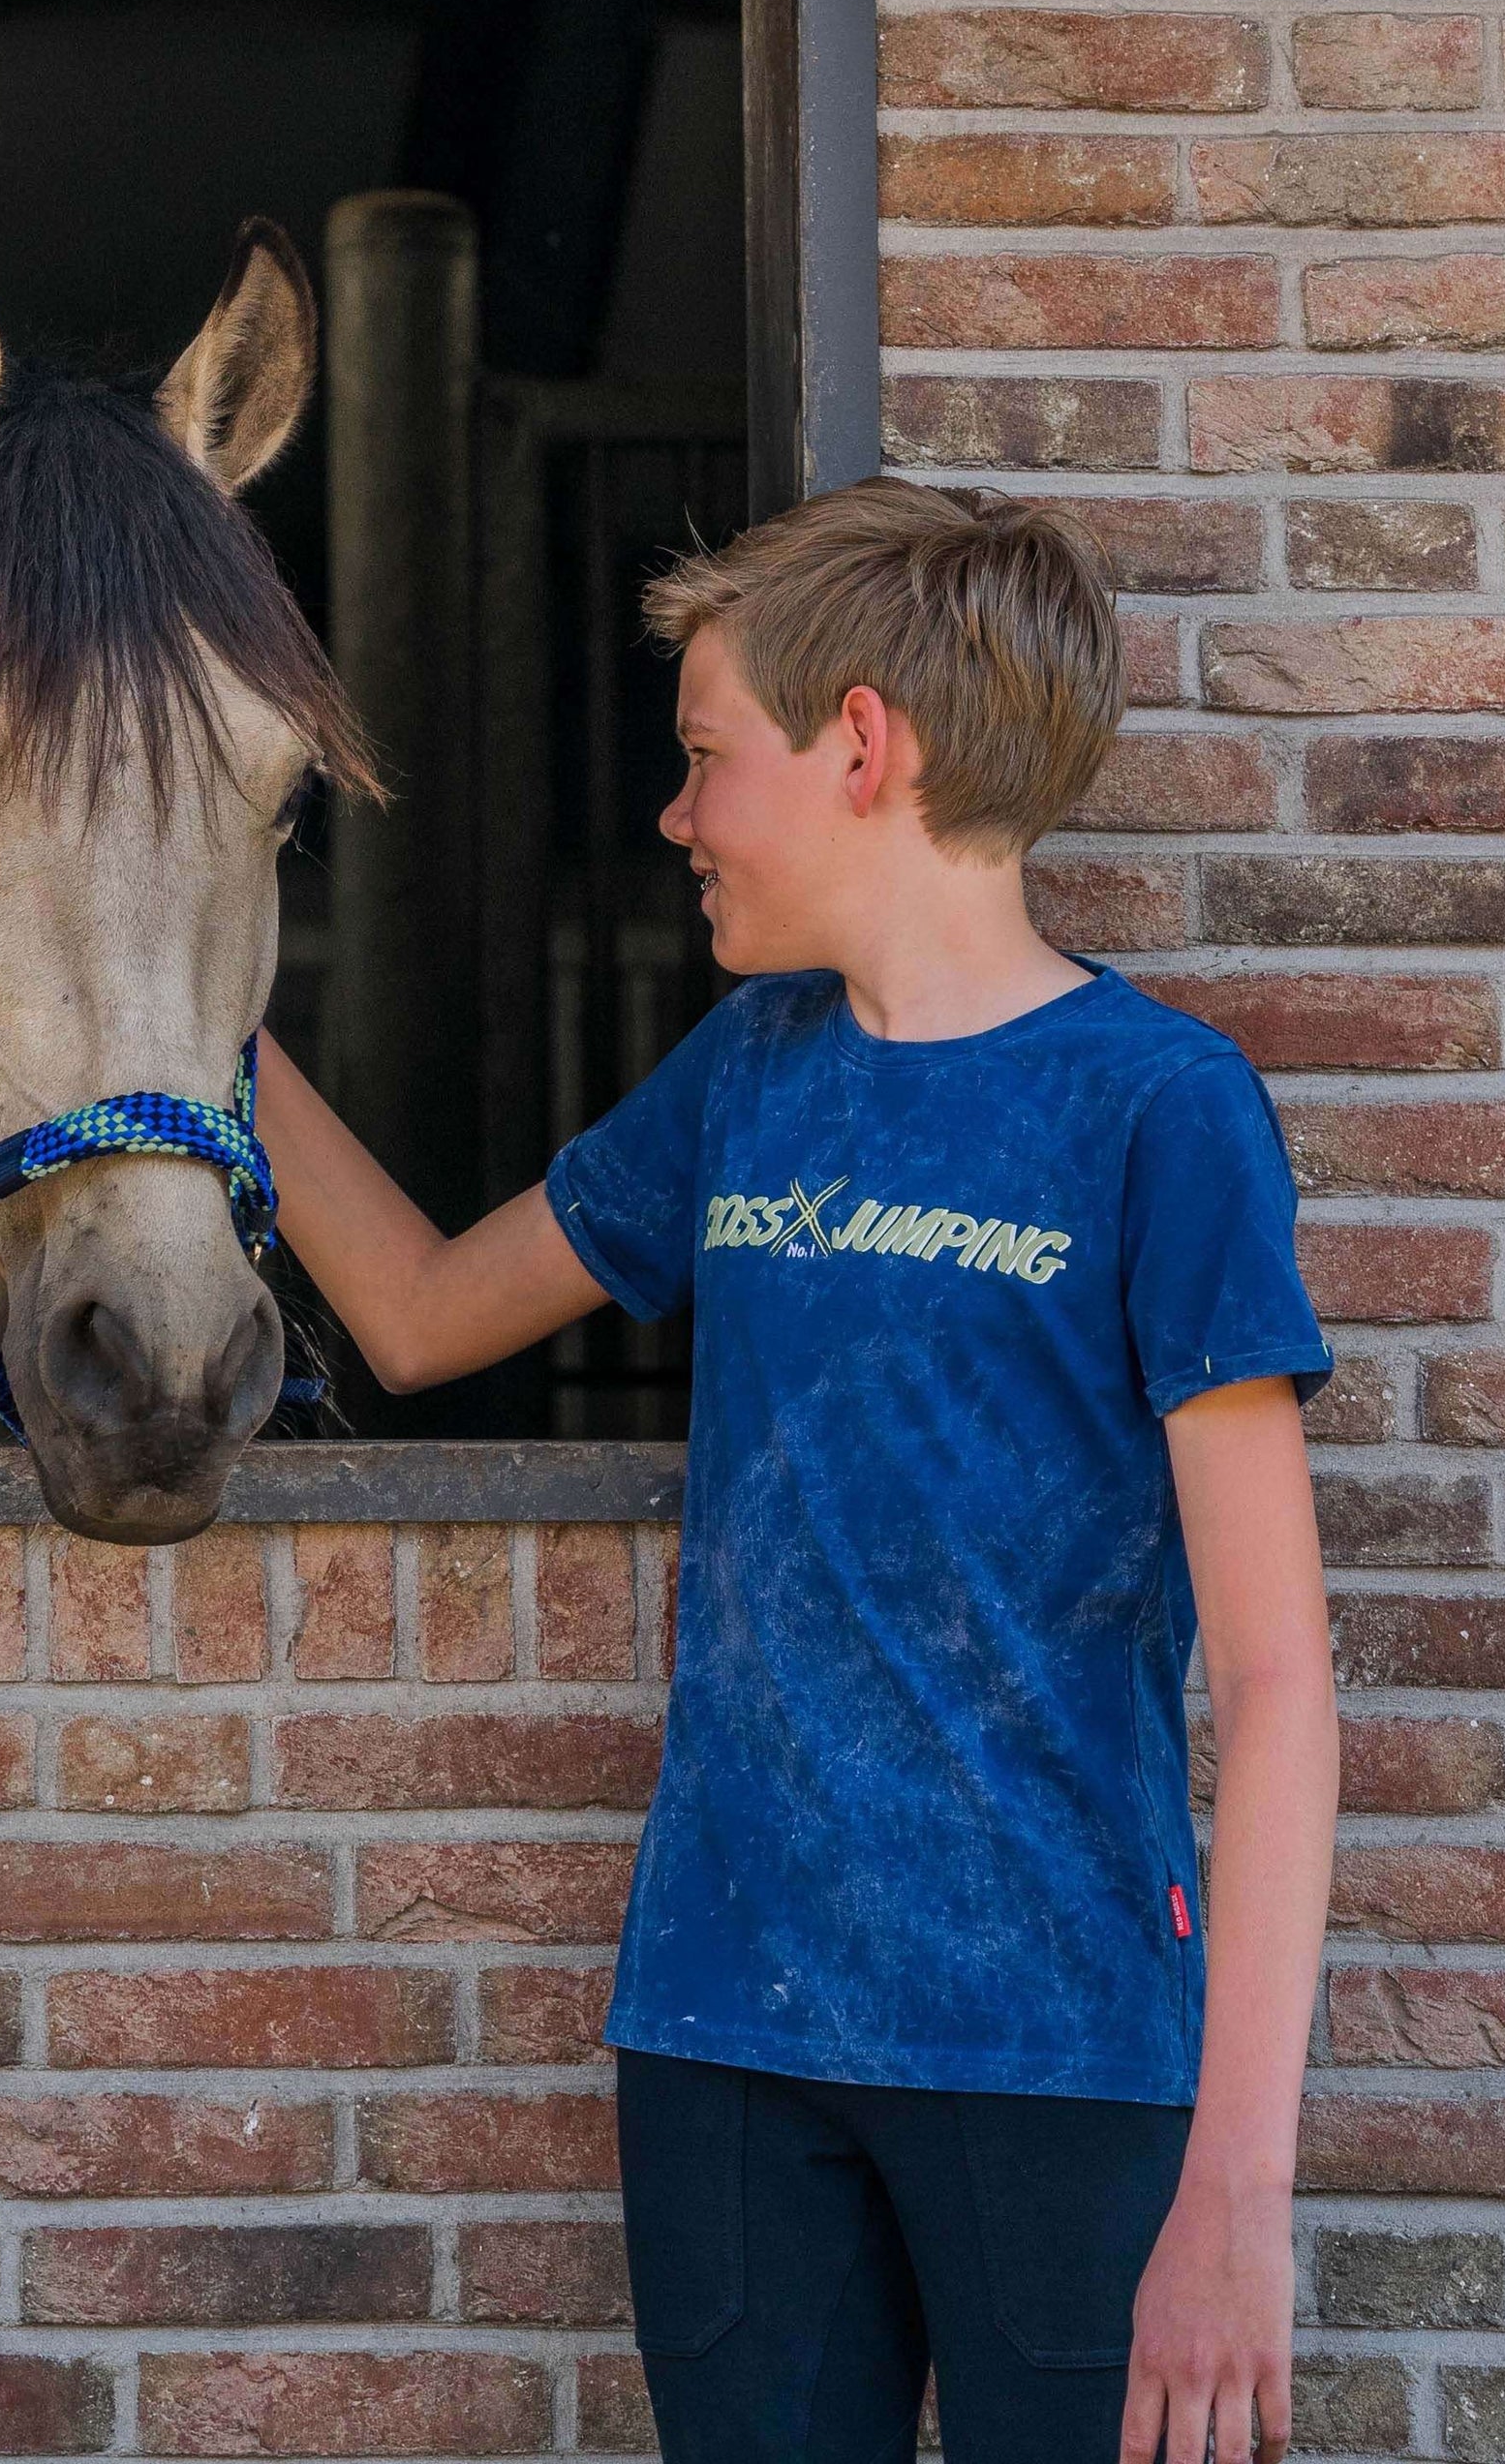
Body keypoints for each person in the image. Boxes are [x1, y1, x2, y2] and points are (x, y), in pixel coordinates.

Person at [254, 476, 1339, 2464]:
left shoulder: (1159, 1116)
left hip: (1061, 2049)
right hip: (728, 2039)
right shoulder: (751, 1075)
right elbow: (412, 1314)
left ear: (863, 746)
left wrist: (1237, 2197)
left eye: (700, 760)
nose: (674, 818)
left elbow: (1279, 1684)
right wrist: (193, 1015)